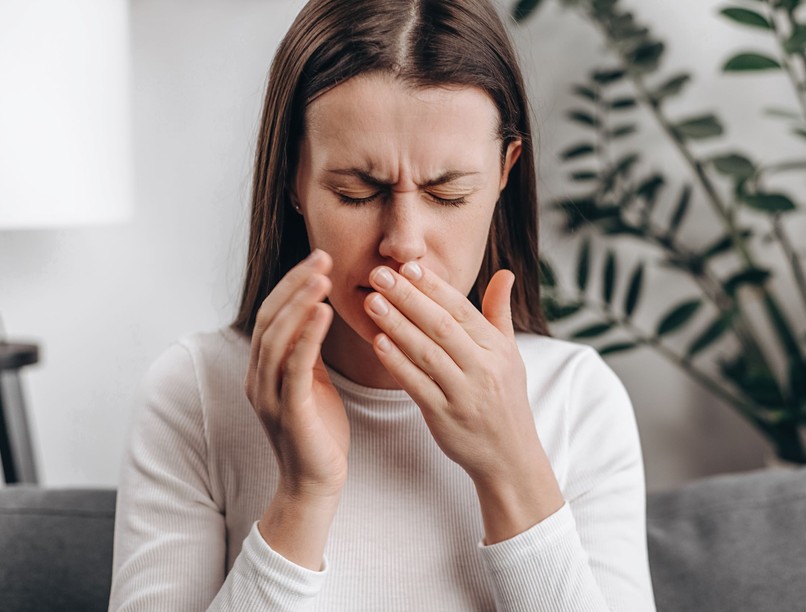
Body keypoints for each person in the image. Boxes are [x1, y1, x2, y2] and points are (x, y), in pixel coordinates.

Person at [109, 0, 656, 609]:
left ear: (504, 173)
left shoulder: (578, 400)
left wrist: (512, 466)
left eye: (447, 193)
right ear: (294, 176)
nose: (402, 242)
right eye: (357, 192)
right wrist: (303, 496)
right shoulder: (195, 395)